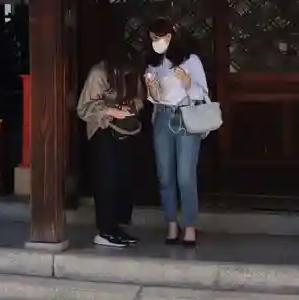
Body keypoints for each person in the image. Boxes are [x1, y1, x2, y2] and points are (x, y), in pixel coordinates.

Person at [143, 19, 208, 246]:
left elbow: (203, 93)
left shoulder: (191, 60)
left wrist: (188, 82)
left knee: (185, 175)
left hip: (186, 116)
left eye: (162, 37)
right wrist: (152, 88)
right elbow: (154, 98)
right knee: (165, 175)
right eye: (154, 38)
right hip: (163, 116)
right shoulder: (153, 64)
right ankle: (171, 223)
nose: (158, 41)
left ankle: (189, 226)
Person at [76, 50, 143, 248]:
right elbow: (83, 108)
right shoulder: (99, 73)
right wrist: (110, 111)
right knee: (106, 180)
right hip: (102, 130)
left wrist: (131, 108)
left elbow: (140, 99)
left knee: (123, 178)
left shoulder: (132, 73)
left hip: (124, 130)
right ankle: (105, 231)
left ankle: (117, 227)